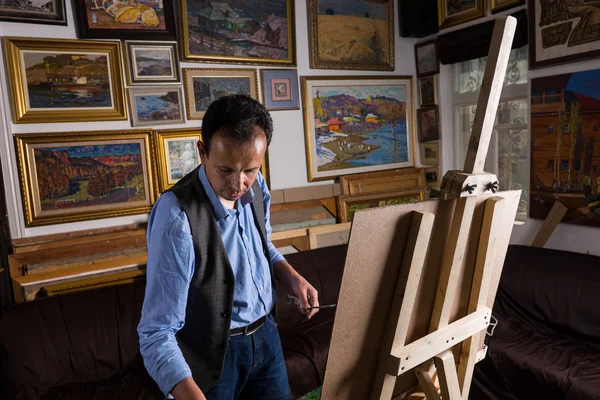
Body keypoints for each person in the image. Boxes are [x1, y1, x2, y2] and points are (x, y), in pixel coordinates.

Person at [138, 95, 319, 400]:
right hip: (212, 360)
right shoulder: (176, 218)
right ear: (202, 151)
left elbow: (263, 247)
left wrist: (290, 276)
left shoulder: (258, 186)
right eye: (225, 170)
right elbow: (155, 334)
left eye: (250, 169)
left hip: (267, 338)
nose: (238, 184)